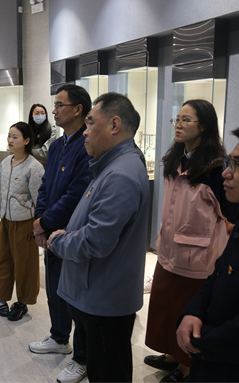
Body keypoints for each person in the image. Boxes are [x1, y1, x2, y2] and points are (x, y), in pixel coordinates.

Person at [47, 92, 150, 382]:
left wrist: (58, 241)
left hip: (105, 298)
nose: (85, 131)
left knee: (108, 373)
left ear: (114, 125)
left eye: (91, 122)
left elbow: (96, 240)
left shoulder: (120, 174)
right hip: (97, 291)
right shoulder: (112, 165)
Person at [143, 100, 232, 382]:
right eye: (177, 119)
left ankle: (186, 366)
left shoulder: (216, 168)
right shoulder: (176, 159)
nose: (178, 125)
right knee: (165, 306)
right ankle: (171, 354)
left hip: (198, 259)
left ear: (203, 126)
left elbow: (229, 215)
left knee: (187, 311)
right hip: (169, 251)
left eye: (186, 120)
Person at [176, 120, 239, 382]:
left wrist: (198, 341)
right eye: (230, 162)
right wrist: (192, 312)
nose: (227, 173)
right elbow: (216, 277)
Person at [29, 84, 92, 383]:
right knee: (54, 287)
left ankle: (82, 358)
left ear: (78, 109)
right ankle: (58, 337)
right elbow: (45, 185)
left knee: (76, 296)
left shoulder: (87, 145)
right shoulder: (56, 146)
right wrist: (41, 219)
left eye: (59, 105)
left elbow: (76, 194)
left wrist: (46, 222)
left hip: (72, 231)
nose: (53, 110)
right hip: (51, 229)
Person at [0, 122, 44, 321]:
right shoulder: (5, 163)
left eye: (15, 137)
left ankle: (22, 302)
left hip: (25, 222)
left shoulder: (34, 167)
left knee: (24, 264)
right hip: (5, 220)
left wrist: (38, 224)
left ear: (26, 141)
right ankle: (1, 299)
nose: (10, 140)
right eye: (9, 136)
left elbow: (39, 199)